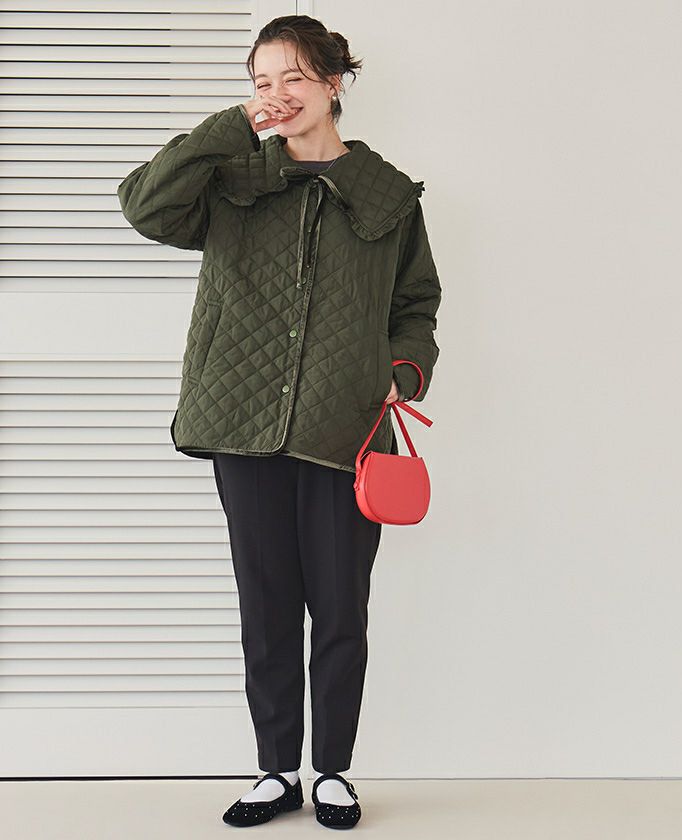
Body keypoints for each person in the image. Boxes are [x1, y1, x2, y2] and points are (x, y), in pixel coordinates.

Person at [117, 14, 441, 830]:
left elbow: (416, 304)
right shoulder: (230, 181)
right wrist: (230, 127)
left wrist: (399, 374)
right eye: (261, 82)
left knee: (339, 609)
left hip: (346, 429)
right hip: (241, 421)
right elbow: (143, 206)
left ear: (333, 83)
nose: (277, 94)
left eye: (293, 77)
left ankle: (331, 771)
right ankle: (275, 771)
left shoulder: (389, 196)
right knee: (265, 609)